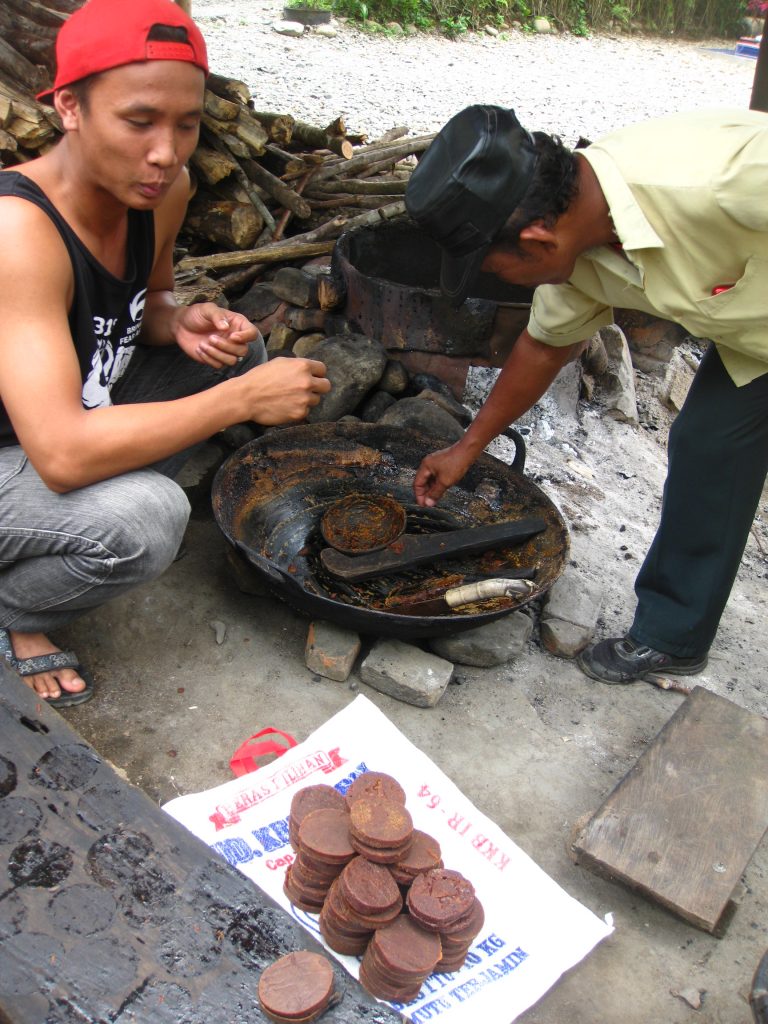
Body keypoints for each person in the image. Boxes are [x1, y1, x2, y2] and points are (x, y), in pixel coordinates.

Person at [0, 0, 331, 707]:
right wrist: (240, 403)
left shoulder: (161, 191)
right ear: (69, 107)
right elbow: (59, 453)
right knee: (147, 518)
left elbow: (145, 304)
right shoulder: (18, 233)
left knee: (233, 353)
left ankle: (74, 523)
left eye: (188, 125)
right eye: (139, 120)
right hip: (27, 444)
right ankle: (18, 611)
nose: (166, 151)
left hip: (63, 410)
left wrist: (179, 320)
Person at [405, 104, 768, 685]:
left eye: (495, 271)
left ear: (536, 239)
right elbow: (545, 347)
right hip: (758, 339)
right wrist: (467, 448)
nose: (501, 284)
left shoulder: (728, 180)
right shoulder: (579, 251)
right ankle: (673, 636)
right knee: (709, 445)